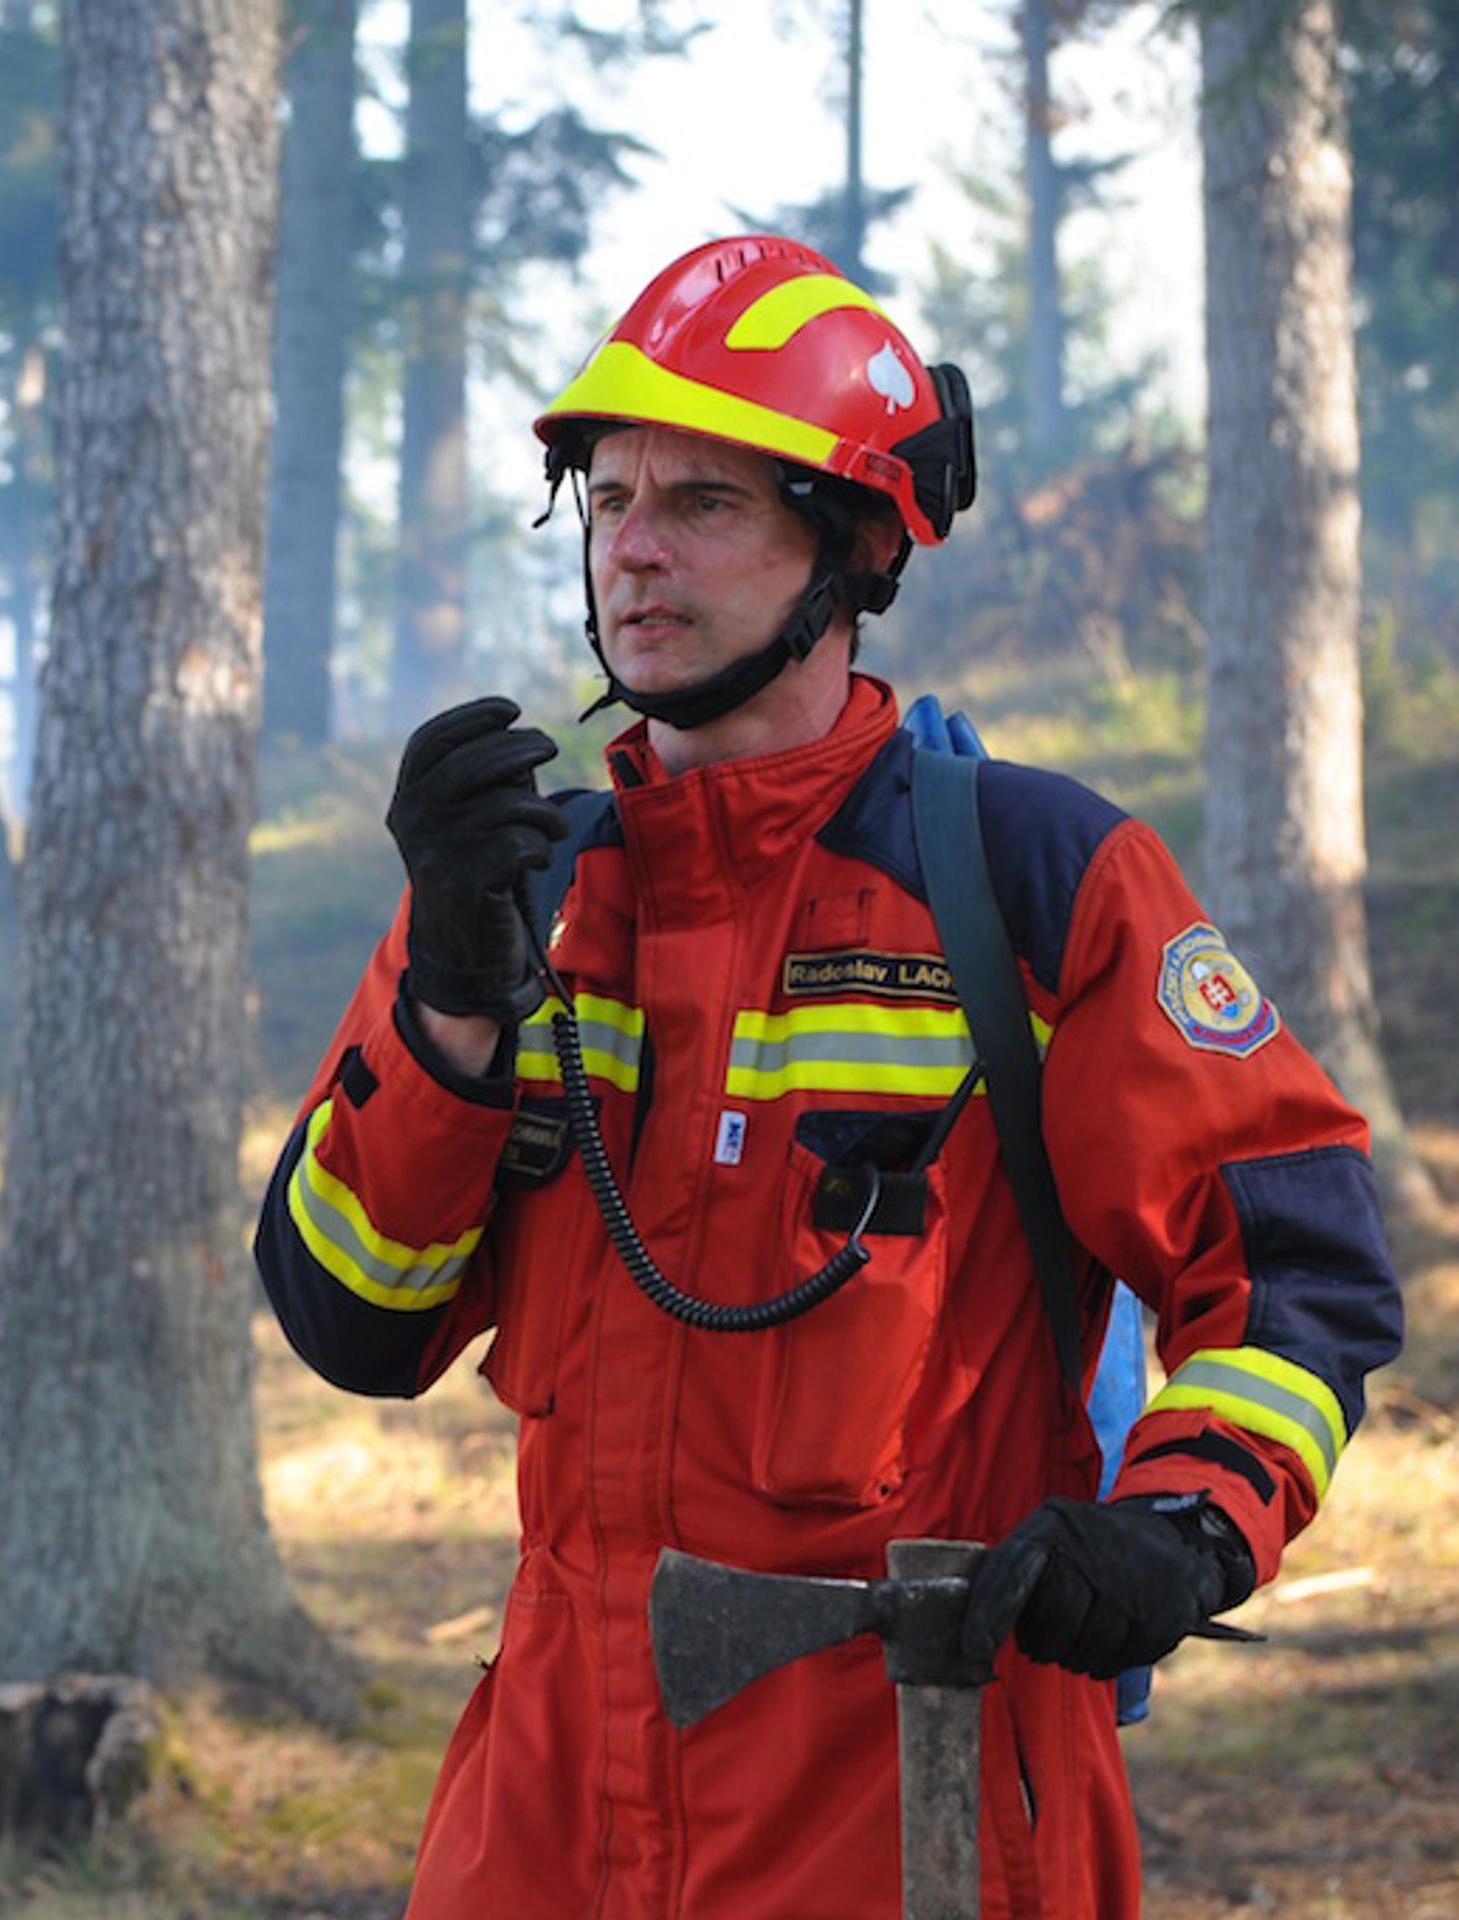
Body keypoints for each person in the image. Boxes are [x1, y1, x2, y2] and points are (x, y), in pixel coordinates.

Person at [251, 235, 1404, 1917]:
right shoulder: (526, 900)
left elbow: (1292, 1262)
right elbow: (357, 1319)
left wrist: (1186, 1527)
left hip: (913, 1816)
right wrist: (446, 1009)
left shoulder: (1025, 881)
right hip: (546, 1825)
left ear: (851, 545)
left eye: (701, 504)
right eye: (612, 495)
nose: (632, 551)